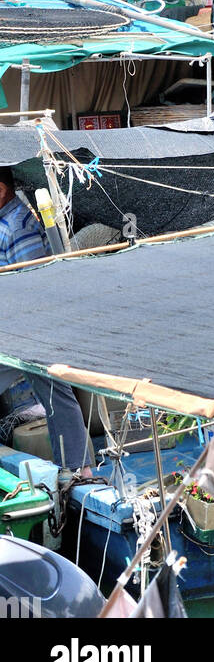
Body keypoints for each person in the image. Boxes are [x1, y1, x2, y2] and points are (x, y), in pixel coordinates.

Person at [0, 168, 91, 473]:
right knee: (56, 397)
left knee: (56, 395)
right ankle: (79, 468)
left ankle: (79, 469)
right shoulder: (8, 221)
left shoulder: (16, 225)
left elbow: (33, 280)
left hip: (29, 329)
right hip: (17, 327)